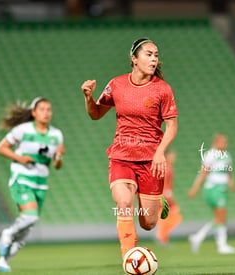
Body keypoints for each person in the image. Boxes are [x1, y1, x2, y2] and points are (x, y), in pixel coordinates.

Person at [81, 38, 178, 259]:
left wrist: (160, 152)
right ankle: (129, 257)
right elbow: (95, 114)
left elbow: (172, 126)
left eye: (156, 55)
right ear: (134, 59)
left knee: (148, 223)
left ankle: (157, 200)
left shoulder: (162, 89)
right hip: (121, 157)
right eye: (148, 54)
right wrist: (88, 97)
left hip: (150, 160)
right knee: (124, 203)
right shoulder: (116, 84)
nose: (154, 59)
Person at [0, 97, 65, 272]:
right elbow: (1, 147)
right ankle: (7, 233)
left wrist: (58, 156)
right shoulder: (22, 130)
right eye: (42, 109)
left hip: (40, 183)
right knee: (31, 216)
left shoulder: (56, 135)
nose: (46, 113)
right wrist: (19, 158)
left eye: (49, 109)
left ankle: (3, 260)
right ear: (34, 113)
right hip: (22, 178)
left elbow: (57, 165)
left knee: (27, 229)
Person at [187, 134, 235, 254]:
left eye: (226, 142)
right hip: (214, 188)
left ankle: (198, 238)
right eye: (222, 142)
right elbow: (203, 172)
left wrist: (231, 182)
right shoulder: (211, 155)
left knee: (219, 218)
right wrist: (195, 188)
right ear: (215, 142)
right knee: (221, 217)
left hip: (222, 189)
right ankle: (221, 245)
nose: (225, 144)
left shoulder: (227, 155)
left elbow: (229, 171)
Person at [156, 149, 183, 246]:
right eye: (172, 155)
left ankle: (162, 237)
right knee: (172, 215)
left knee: (171, 216)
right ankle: (162, 237)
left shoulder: (168, 167)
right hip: (164, 196)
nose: (174, 157)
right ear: (167, 156)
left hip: (164, 195)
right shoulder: (166, 168)